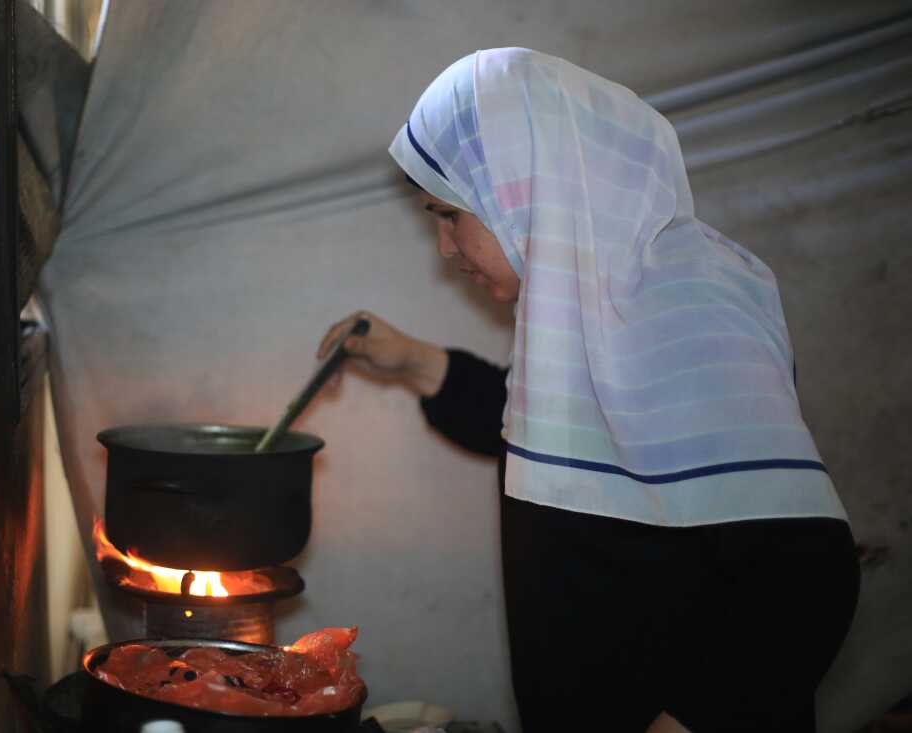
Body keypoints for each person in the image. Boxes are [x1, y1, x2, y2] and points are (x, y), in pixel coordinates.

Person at [319, 48, 859, 733]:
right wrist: (414, 361)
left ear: (524, 188)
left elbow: (809, 573)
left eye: (449, 215)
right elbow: (556, 446)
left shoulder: (691, 308)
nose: (445, 250)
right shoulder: (594, 309)